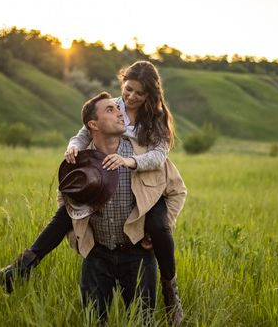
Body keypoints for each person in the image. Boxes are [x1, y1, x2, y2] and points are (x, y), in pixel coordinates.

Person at [0, 61, 185, 324]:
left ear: (150, 94)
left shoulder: (156, 117)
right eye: (128, 89)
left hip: (145, 178)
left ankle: (170, 288)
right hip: (105, 175)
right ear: (122, 84)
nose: (131, 97)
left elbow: (159, 156)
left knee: (159, 228)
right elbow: (83, 132)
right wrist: (72, 148)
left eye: (139, 93)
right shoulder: (113, 107)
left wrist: (130, 162)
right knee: (66, 213)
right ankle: (19, 269)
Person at [62, 92, 186, 321]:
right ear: (93, 124)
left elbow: (177, 191)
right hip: (96, 257)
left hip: (138, 256)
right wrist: (78, 239)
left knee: (142, 321)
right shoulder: (80, 158)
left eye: (117, 109)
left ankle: (171, 289)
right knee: (93, 321)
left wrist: (160, 230)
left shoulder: (144, 154)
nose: (120, 111)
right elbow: (66, 200)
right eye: (111, 109)